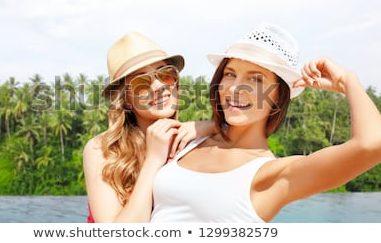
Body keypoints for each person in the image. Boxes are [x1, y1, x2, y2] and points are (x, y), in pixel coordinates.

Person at [151, 22, 381, 222]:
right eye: (230, 74)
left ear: (278, 96)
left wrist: (348, 81)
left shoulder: (274, 175)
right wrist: (211, 125)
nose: (234, 87)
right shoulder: (189, 140)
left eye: (256, 79)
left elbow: (372, 145)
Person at [83, 31, 216, 222]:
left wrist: (211, 126)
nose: (158, 86)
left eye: (166, 74)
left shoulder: (196, 141)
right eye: (141, 83)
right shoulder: (102, 150)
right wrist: (153, 161)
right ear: (126, 100)